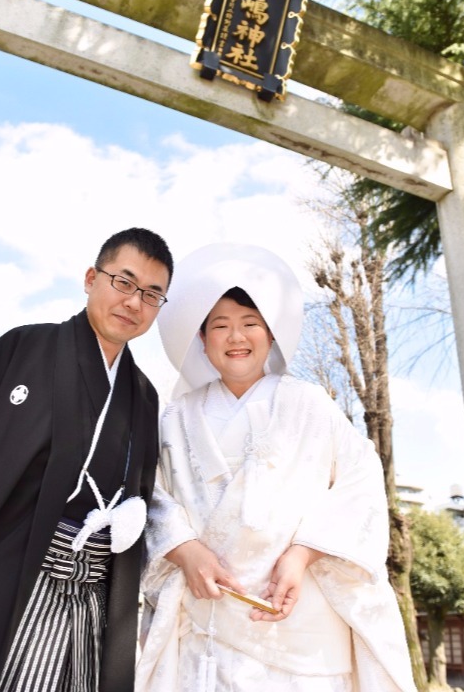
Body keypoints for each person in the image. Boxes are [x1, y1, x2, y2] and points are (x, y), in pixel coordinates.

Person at [135, 243, 414, 691]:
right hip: (207, 610)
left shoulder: (311, 405)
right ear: (202, 341)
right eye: (220, 326)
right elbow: (149, 493)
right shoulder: (174, 417)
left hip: (297, 609)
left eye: (250, 324)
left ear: (271, 334)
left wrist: (303, 553)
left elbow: (359, 485)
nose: (236, 337)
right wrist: (183, 548)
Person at [0, 227, 174, 692]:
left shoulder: (144, 396)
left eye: (152, 294)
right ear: (92, 278)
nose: (134, 302)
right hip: (1, 582)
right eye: (124, 282)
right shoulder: (23, 349)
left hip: (89, 605)